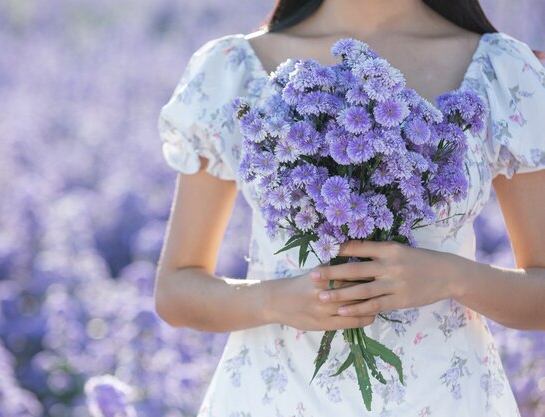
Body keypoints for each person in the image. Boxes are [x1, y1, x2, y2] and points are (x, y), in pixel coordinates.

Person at [155, 0, 545, 415]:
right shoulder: (231, 69)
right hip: (276, 398)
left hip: (444, 398)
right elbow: (175, 290)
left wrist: (452, 277)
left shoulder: (501, 70)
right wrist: (274, 300)